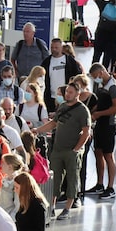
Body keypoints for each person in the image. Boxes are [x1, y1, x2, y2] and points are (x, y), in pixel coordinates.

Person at [30, 81, 91, 220]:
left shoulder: (82, 110)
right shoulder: (63, 107)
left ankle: (67, 208)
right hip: (57, 149)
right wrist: (38, 130)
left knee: (72, 178)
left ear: (77, 94)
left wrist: (76, 149)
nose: (67, 94)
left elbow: (86, 132)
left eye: (70, 92)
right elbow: (54, 123)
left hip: (71, 150)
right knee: (54, 179)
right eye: (67, 91)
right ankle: (51, 207)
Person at [85, 63, 116, 199]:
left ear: (101, 72)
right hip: (99, 124)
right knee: (98, 152)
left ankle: (110, 187)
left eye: (96, 77)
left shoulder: (112, 86)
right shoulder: (101, 85)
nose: (95, 79)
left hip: (109, 124)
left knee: (108, 155)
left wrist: (100, 114)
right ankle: (99, 184)